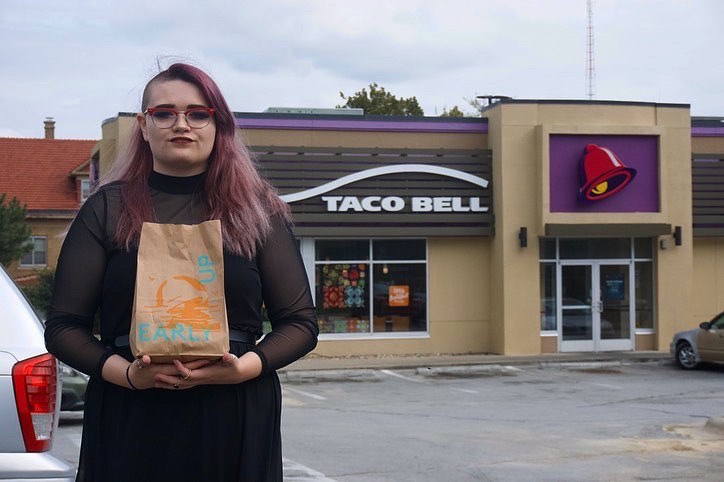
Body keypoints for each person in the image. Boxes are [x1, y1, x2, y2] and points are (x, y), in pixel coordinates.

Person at [45, 62, 319, 481]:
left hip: (234, 412)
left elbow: (300, 323)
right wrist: (129, 376)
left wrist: (244, 368)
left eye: (197, 113)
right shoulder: (106, 209)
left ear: (217, 124)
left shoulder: (257, 210)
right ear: (143, 125)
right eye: (164, 113)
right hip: (131, 410)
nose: (181, 124)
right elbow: (63, 327)